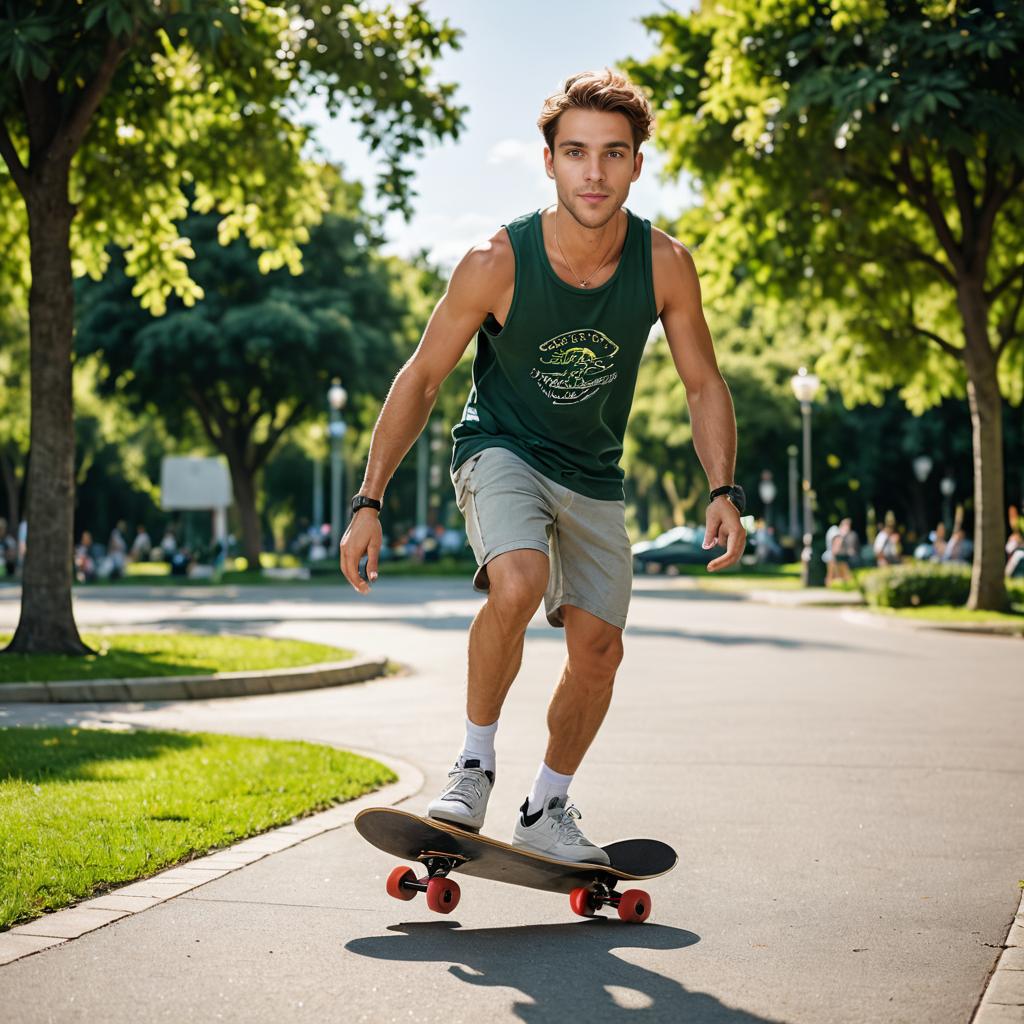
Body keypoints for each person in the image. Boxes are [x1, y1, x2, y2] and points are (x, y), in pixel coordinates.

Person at [338, 68, 747, 864]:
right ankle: (472, 765)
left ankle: (546, 806)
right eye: (575, 153)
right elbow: (422, 377)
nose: (593, 172)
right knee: (517, 581)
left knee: (600, 651)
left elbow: (703, 381)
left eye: (613, 154)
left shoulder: (665, 264)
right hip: (503, 448)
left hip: (593, 473)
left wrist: (723, 489)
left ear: (636, 163)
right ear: (550, 161)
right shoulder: (496, 261)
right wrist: (368, 500)